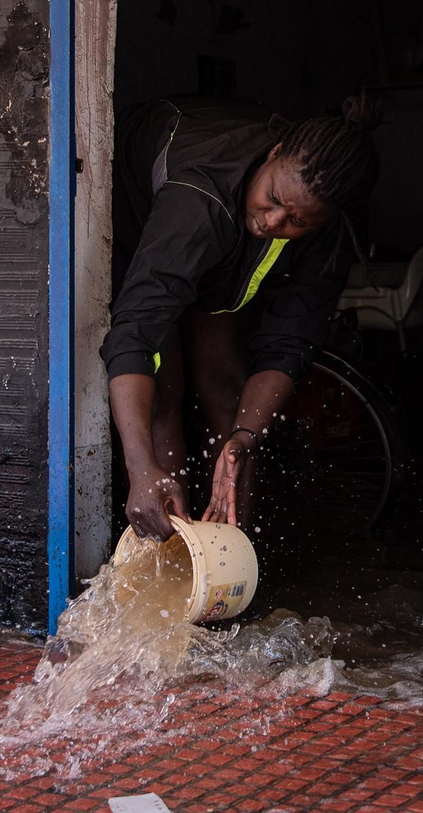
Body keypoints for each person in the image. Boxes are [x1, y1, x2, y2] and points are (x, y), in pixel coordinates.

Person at [103, 95, 380, 542]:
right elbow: (135, 332)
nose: (272, 221)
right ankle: (167, 554)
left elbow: (288, 343)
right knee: (162, 389)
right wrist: (140, 468)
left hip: (221, 235)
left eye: (296, 221)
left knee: (230, 390)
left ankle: (232, 553)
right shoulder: (198, 199)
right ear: (273, 154)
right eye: (272, 199)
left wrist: (245, 438)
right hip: (137, 223)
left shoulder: (327, 230)